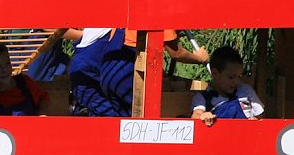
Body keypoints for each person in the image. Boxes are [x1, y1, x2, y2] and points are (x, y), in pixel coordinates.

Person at [71, 28, 209, 117]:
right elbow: (176, 53)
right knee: (141, 118)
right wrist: (199, 58)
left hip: (107, 72)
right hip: (126, 71)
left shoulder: (129, 13)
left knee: (114, 121)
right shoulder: (161, 12)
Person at [191, 45, 264, 126]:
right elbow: (196, 115)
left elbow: (259, 117)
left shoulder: (246, 91)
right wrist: (203, 116)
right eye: (231, 77)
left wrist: (255, 122)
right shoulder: (203, 98)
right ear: (215, 73)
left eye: (239, 76)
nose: (236, 81)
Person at [0, 38, 49, 116]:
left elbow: (43, 98)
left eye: (7, 63)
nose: (4, 70)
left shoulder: (25, 83)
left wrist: (41, 115)